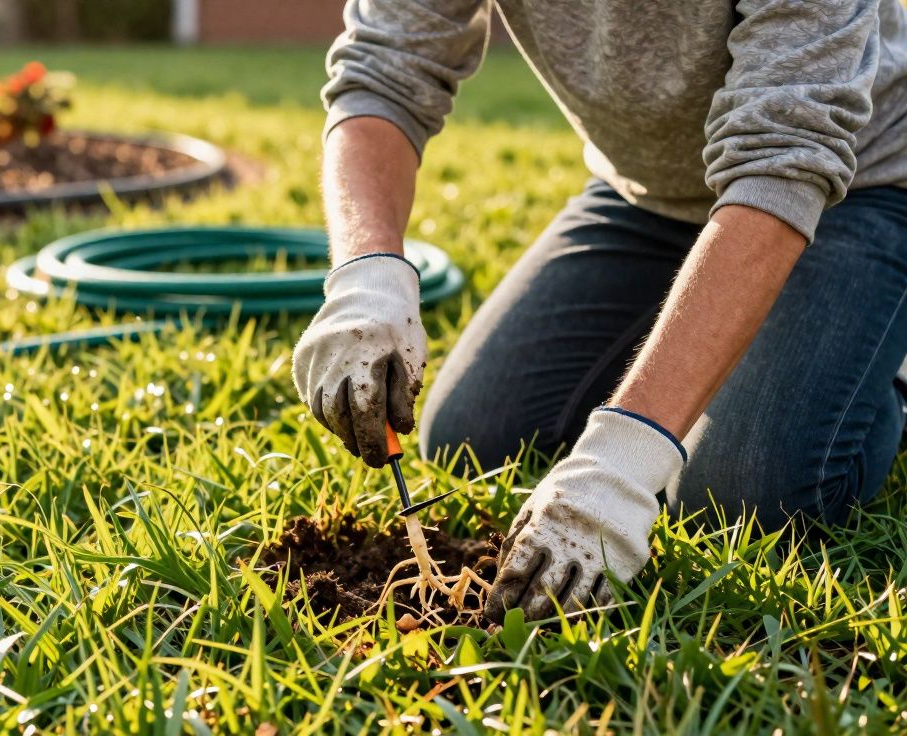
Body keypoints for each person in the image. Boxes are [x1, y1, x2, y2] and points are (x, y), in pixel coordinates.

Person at [292, 0, 907, 623]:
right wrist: (365, 277)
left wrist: (623, 460)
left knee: (739, 492)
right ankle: (715, 320)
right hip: (646, 197)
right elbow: (383, 70)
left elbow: (784, 160)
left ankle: (884, 361)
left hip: (857, 185)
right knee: (475, 434)